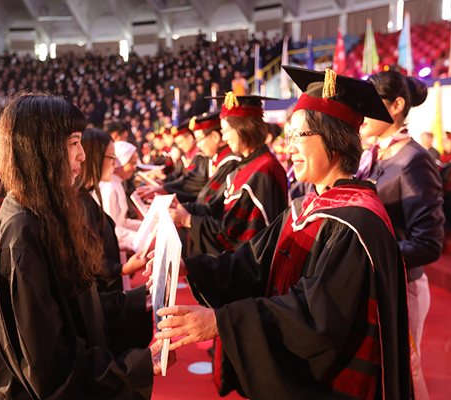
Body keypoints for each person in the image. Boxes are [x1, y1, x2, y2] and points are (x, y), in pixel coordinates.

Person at [152, 68, 416, 399]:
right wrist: (191, 266)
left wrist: (222, 321)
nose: (288, 148)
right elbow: (251, 262)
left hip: (331, 384)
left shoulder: (358, 222)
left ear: (333, 138)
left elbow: (316, 316)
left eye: (298, 136)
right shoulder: (305, 207)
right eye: (288, 137)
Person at [0, 94, 173, 400]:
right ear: (40, 150)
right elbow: (50, 367)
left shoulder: (45, 214)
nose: (83, 155)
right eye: (73, 143)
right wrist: (135, 366)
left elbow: (80, 309)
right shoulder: (19, 239)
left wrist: (145, 300)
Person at [359, 70, 444, 356]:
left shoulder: (415, 159)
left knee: (401, 375)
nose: (361, 110)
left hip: (401, 287)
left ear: (396, 106)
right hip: (376, 281)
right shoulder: (373, 153)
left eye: (369, 101)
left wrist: (367, 255)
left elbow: (428, 244)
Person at [168, 93, 288, 256]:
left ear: (243, 127)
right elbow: (215, 208)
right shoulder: (245, 165)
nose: (223, 137)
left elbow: (239, 237)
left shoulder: (264, 169)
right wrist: (183, 208)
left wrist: (189, 220)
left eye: (225, 130)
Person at [75, 128, 147, 293]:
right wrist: (123, 268)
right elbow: (89, 256)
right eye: (112, 159)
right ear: (95, 158)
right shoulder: (84, 200)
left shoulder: (91, 193)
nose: (116, 164)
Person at [100, 140, 143, 250]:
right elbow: (113, 229)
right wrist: (143, 238)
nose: (134, 168)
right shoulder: (109, 189)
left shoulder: (117, 183)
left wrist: (147, 228)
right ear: (120, 163)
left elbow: (122, 222)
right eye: (132, 163)